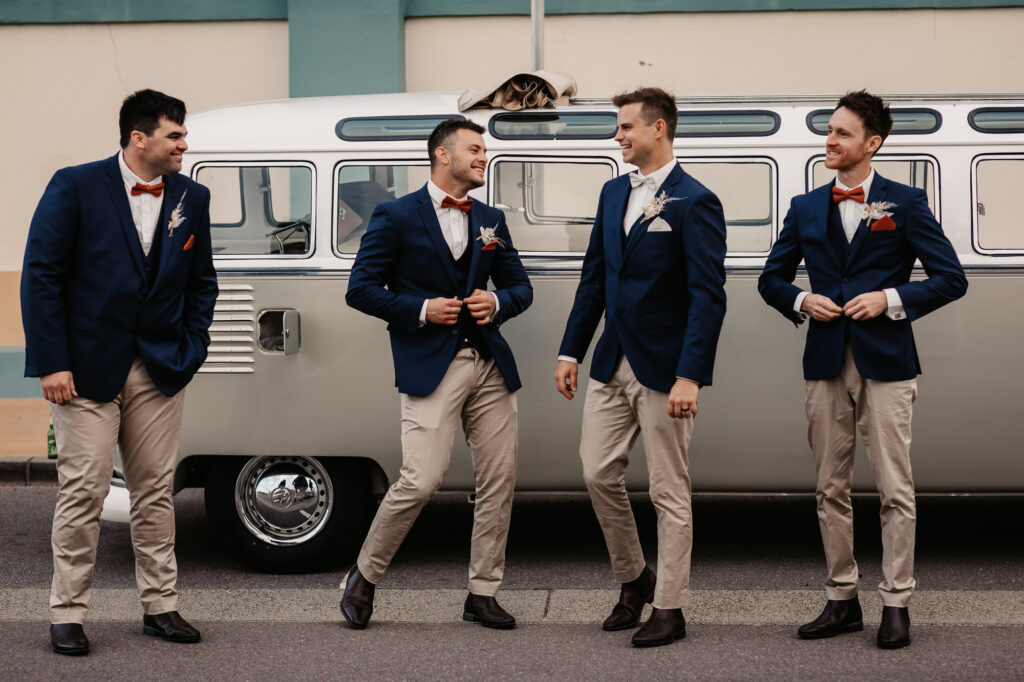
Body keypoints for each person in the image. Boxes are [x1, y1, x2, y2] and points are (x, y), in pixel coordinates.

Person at [758, 90, 967, 649]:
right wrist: (802, 302)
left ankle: (896, 602)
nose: (829, 140)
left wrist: (890, 299)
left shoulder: (905, 202)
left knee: (896, 486)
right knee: (830, 486)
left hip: (888, 362)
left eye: (842, 133)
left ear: (872, 143)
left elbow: (951, 278)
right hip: (825, 359)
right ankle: (841, 599)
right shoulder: (805, 207)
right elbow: (770, 279)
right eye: (829, 131)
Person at [21, 89, 218, 655]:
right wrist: (52, 361)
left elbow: (202, 282)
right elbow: (42, 277)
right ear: (140, 138)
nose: (185, 144)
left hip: (161, 367)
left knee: (155, 492)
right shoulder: (75, 185)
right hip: (81, 370)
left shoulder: (192, 196)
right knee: (82, 492)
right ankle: (68, 614)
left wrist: (192, 347)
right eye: (175, 135)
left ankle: (160, 607)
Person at [342, 118, 532, 630]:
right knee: (420, 480)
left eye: (484, 149)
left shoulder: (490, 217)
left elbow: (520, 287)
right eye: (474, 149)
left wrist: (497, 300)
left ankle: (482, 592)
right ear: (442, 155)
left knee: (499, 480)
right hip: (430, 364)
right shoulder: (395, 215)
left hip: (489, 363)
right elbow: (360, 289)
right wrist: (423, 309)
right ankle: (363, 577)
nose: (483, 156)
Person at [555, 88, 727, 648]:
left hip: (666, 367)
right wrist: (570, 350)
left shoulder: (695, 200)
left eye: (626, 127)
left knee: (668, 490)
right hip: (610, 359)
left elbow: (708, 296)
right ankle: (634, 578)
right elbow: (594, 278)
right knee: (596, 472)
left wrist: (689, 374)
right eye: (618, 127)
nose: (618, 136)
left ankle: (669, 607)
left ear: (659, 129)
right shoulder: (612, 193)